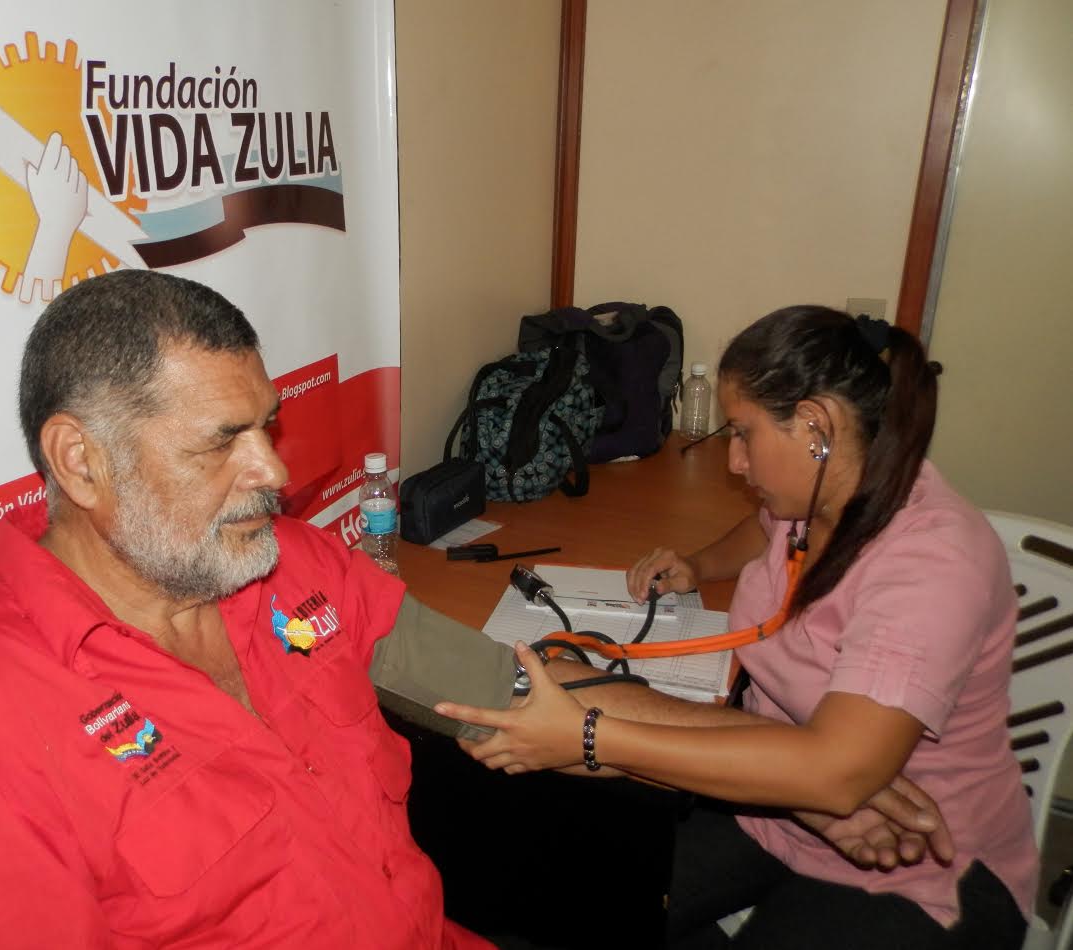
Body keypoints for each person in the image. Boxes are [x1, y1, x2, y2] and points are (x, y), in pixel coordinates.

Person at [0, 270, 492, 949]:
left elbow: (481, 683)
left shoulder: (281, 560)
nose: (274, 472)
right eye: (221, 441)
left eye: (266, 428)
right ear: (82, 462)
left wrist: (559, 712)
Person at [436, 306, 1038, 949]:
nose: (735, 461)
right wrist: (699, 565)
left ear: (816, 426)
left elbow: (837, 774)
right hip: (776, 804)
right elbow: (763, 529)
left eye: (745, 434)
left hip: (916, 858)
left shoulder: (933, 566)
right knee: (564, 901)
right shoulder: (821, 492)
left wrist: (590, 737)